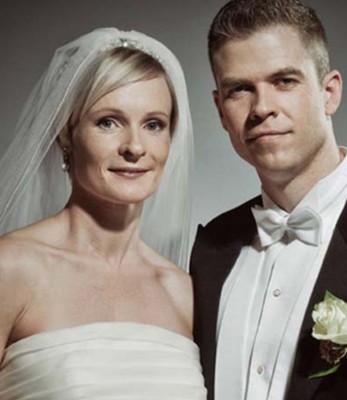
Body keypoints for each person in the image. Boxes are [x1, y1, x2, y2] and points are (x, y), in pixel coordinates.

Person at [190, 0, 347, 399]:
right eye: (239, 89)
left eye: (284, 81)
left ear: (329, 92)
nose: (262, 108)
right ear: (220, 110)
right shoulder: (211, 249)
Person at [0, 28, 206, 399]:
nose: (135, 147)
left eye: (153, 124)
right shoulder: (11, 268)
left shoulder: (183, 292)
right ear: (66, 134)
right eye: (108, 122)